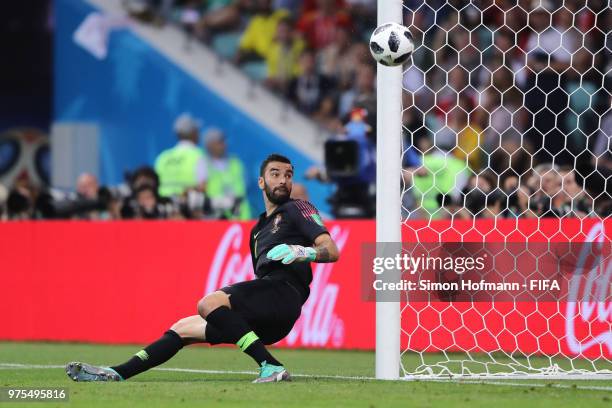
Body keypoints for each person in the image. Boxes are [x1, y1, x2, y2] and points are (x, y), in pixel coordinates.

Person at [65, 153, 340, 383]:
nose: (283, 180)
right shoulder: (256, 231)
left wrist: (302, 252)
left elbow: (331, 250)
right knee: (183, 328)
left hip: (284, 294)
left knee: (209, 303)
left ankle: (271, 367)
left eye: (288, 175)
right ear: (261, 181)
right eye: (275, 174)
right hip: (268, 310)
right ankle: (116, 373)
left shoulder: (297, 208)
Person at [155, 113, 207, 198]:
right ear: (194, 133)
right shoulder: (198, 155)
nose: (199, 134)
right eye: (197, 130)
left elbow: (155, 185)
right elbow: (203, 187)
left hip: (164, 207)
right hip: (187, 208)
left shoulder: (163, 157)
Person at [202, 128, 251, 220]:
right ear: (209, 145)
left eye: (223, 141)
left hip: (241, 220)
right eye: (219, 142)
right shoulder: (203, 164)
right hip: (216, 221)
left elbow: (246, 186)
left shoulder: (236, 162)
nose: (224, 145)